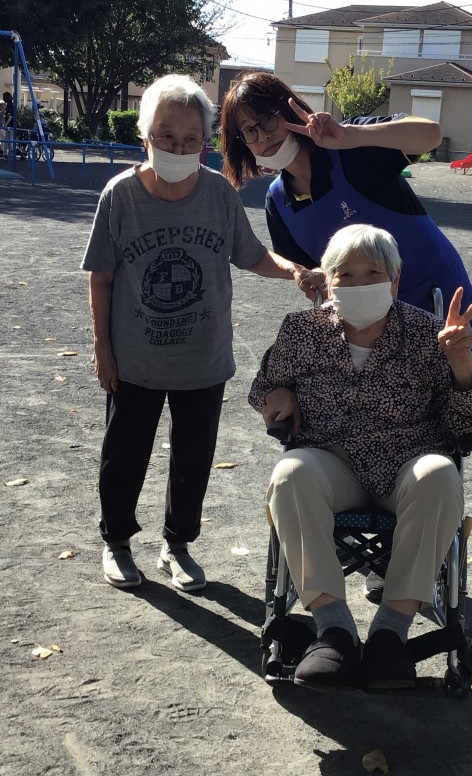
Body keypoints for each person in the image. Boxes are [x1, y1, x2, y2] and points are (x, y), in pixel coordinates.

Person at [81, 74, 323, 592]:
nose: (178, 147)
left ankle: (177, 545)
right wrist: (103, 349)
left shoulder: (218, 194)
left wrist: (296, 271)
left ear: (204, 143)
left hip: (203, 359)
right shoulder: (120, 196)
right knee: (124, 455)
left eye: (190, 138)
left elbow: (253, 255)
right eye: (166, 136)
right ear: (145, 135)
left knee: (193, 459)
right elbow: (100, 276)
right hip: (135, 359)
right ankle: (116, 541)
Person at [248, 224, 472, 690]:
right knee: (290, 473)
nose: (359, 283)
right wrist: (276, 395)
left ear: (395, 280)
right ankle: (334, 630)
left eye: (373, 273)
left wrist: (463, 363)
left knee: (441, 473)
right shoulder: (301, 331)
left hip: (408, 465)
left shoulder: (427, 334)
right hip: (331, 460)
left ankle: (389, 634)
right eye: (345, 274)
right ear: (327, 282)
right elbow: (262, 388)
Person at [220, 71, 472, 365]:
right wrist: (303, 275)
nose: (263, 136)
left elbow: (430, 135)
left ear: (288, 110)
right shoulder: (278, 200)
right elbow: (305, 268)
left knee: (452, 382)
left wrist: (352, 135)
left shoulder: (348, 145)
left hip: (432, 293)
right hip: (364, 318)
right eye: (249, 130)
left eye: (267, 120)